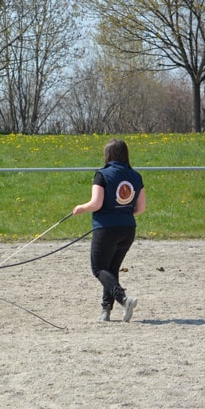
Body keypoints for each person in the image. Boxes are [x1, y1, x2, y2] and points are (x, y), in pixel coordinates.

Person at [73, 138, 146, 322]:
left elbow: (96, 204)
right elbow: (140, 208)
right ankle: (106, 310)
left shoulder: (102, 175)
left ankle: (123, 299)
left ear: (109, 155)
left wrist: (82, 207)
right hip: (128, 229)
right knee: (111, 270)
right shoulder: (136, 176)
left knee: (98, 268)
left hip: (106, 228)